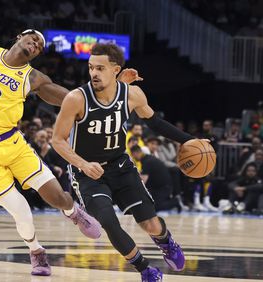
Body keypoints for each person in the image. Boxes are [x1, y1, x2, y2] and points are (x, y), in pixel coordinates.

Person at [0, 24, 138, 276]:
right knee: (21, 210)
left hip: (14, 145)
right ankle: (36, 251)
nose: (36, 45)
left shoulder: (33, 78)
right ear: (20, 37)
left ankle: (73, 212)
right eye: (33, 39)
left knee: (59, 196)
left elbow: (70, 99)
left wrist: (111, 89)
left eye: (40, 46)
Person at [52, 43, 204, 282]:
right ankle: (145, 270)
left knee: (151, 225)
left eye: (100, 68)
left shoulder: (132, 94)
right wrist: (82, 164)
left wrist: (190, 141)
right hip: (88, 174)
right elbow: (57, 140)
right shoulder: (76, 99)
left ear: (115, 70)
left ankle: (166, 242)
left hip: (121, 167)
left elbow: (156, 123)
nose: (93, 73)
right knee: (108, 222)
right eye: (91, 67)